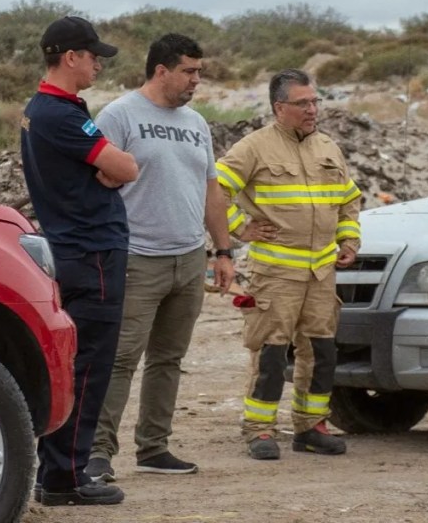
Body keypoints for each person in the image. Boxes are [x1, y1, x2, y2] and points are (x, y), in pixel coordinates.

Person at [87, 33, 235, 480]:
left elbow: (211, 189)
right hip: (136, 256)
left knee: (168, 358)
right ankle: (96, 453)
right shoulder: (119, 114)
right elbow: (96, 180)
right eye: (189, 72)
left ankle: (153, 447)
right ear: (161, 70)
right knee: (119, 358)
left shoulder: (196, 123)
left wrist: (223, 250)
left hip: (188, 259)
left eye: (199, 73)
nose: (196, 81)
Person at [20, 16, 138, 505]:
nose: (97, 65)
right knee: (88, 366)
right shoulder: (60, 114)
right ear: (70, 57)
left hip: (73, 247)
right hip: (90, 253)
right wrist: (110, 171)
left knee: (76, 360)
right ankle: (66, 475)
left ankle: (58, 470)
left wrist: (107, 171)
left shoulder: (44, 109)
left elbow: (112, 169)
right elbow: (127, 166)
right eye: (93, 57)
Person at [216, 68, 361, 460]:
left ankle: (311, 427)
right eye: (303, 103)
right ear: (280, 107)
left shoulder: (328, 147)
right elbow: (212, 193)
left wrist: (349, 239)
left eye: (315, 101)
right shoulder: (254, 147)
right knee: (270, 353)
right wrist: (240, 228)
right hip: (275, 274)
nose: (312, 109)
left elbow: (348, 201)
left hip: (321, 275)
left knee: (321, 352)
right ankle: (259, 430)